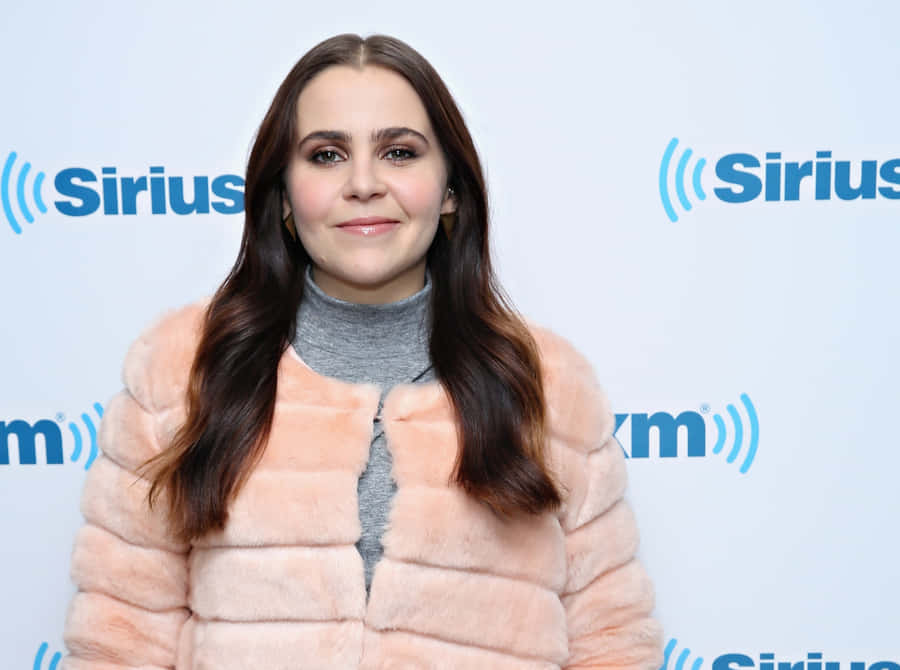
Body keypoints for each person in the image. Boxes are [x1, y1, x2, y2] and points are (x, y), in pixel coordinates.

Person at [59, 33, 664, 669]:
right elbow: (118, 645)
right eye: (326, 156)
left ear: (451, 188)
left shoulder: (548, 387)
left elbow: (611, 644)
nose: (364, 184)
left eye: (399, 152)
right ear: (283, 194)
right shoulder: (183, 373)